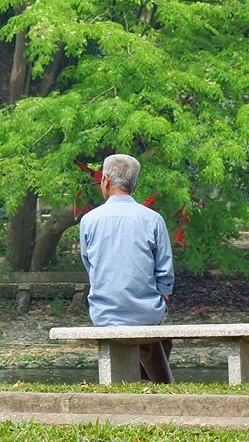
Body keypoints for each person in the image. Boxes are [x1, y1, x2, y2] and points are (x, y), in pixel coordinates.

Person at [77, 152, 176, 383]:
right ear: (135, 183)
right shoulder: (153, 219)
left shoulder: (89, 220)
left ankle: (138, 383)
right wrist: (163, 296)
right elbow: (165, 271)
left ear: (106, 180)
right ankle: (156, 384)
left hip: (103, 313)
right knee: (156, 336)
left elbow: (89, 265)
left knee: (151, 337)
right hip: (147, 312)